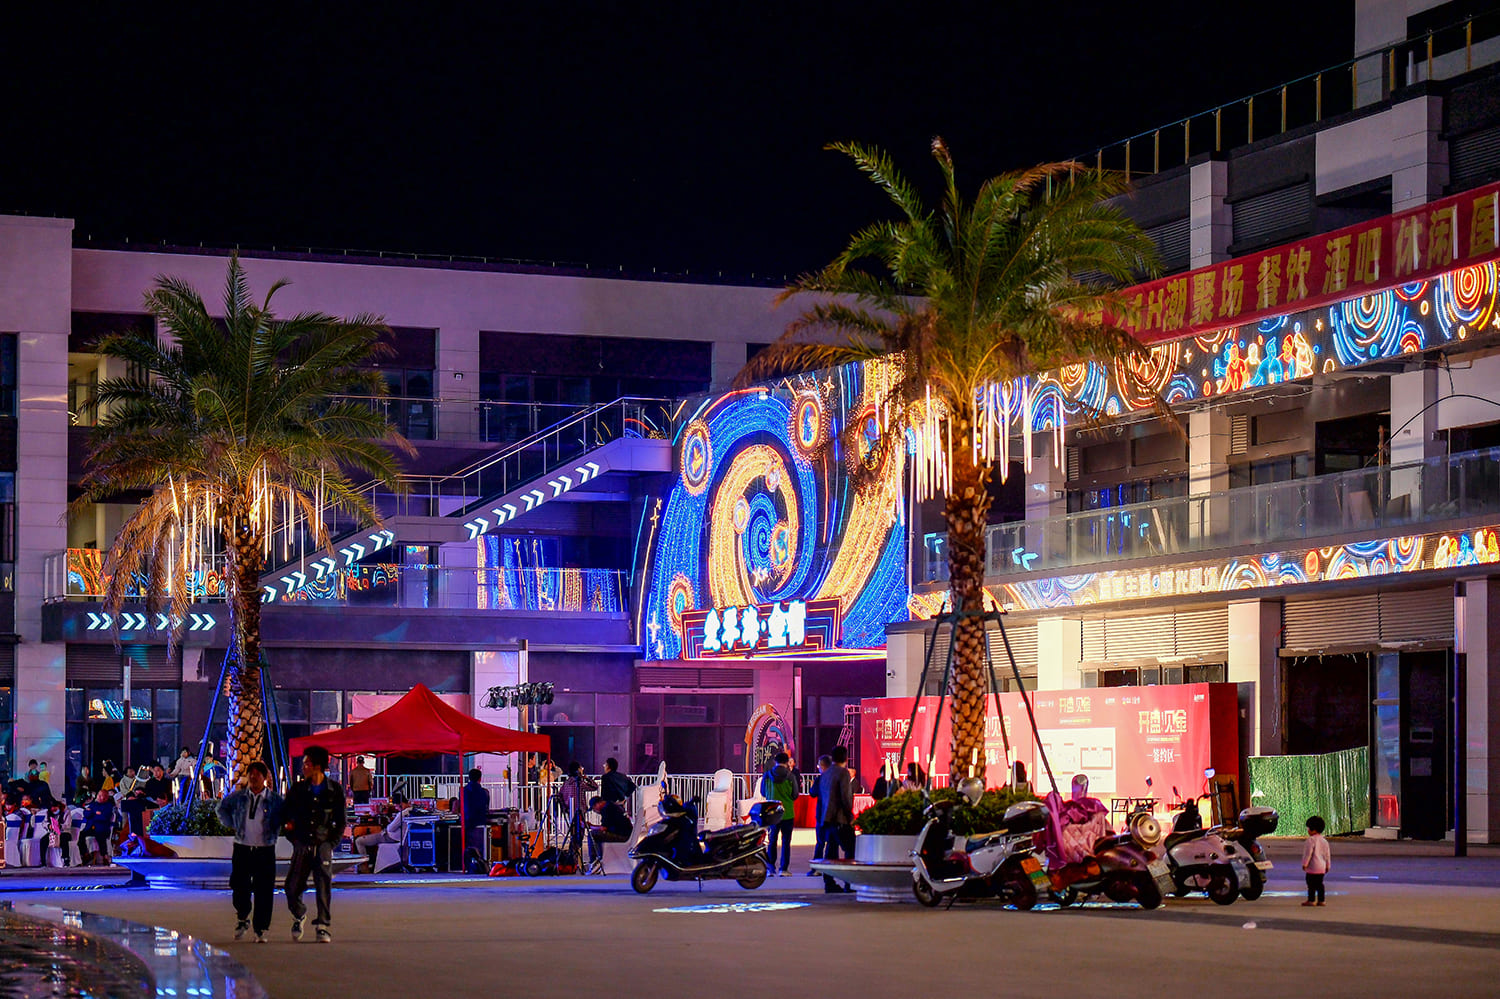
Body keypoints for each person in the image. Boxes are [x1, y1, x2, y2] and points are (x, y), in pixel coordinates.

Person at [282, 745, 346, 943]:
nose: (304, 767)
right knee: (292, 887)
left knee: (323, 886)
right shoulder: (298, 790)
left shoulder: (334, 790)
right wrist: (293, 838)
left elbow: (340, 821)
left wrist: (331, 843)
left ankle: (323, 926)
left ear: (317, 766)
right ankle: (299, 913)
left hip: (323, 844)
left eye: (307, 763)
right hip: (302, 844)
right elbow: (286, 815)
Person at [217, 760, 283, 943]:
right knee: (239, 886)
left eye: (257, 775)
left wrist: (277, 829)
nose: (253, 778)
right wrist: (232, 824)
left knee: (264, 890)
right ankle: (242, 916)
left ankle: (261, 928)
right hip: (243, 848)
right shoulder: (239, 797)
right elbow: (222, 808)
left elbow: (284, 816)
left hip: (265, 849)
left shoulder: (274, 800)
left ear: (264, 777)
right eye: (251, 774)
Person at [820, 746, 855, 893]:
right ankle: (849, 883)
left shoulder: (826, 773)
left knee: (831, 851)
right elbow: (845, 797)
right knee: (851, 850)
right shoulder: (843, 773)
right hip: (840, 818)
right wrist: (850, 815)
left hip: (827, 818)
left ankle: (829, 882)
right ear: (846, 758)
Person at [759, 752, 797, 877]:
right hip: (787, 812)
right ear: (786, 762)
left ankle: (770, 868)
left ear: (775, 761)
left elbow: (763, 792)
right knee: (786, 842)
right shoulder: (791, 776)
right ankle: (783, 869)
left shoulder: (767, 775)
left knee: (772, 841)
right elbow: (795, 795)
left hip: (772, 813)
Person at [354, 793, 411, 871]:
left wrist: (389, 824)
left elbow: (391, 829)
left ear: (400, 804)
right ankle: (371, 864)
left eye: (396, 806)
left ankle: (364, 867)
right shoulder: (412, 811)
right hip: (400, 838)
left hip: (390, 837)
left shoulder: (402, 814)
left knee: (359, 841)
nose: (396, 808)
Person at [806, 755, 831, 875]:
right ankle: (830, 868)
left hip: (822, 814)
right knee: (831, 843)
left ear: (823, 766)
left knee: (820, 842)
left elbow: (812, 793)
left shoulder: (819, 779)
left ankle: (817, 868)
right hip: (833, 815)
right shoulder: (836, 778)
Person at [81, 787, 119, 866]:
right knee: (81, 835)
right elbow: (86, 814)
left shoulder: (108, 806)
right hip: (91, 827)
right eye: (98, 795)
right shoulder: (93, 804)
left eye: (101, 796)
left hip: (102, 828)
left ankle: (104, 855)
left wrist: (93, 814)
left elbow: (104, 817)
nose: (99, 797)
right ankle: (85, 854)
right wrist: (96, 813)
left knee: (100, 836)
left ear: (105, 798)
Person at [460, 769, 489, 864]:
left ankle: (466, 862)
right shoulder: (484, 792)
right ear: (480, 778)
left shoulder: (463, 791)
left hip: (466, 822)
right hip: (480, 821)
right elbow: (486, 808)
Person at [1301, 814, 1330, 907]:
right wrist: (1328, 865)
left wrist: (1305, 864)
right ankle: (1321, 900)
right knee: (1320, 884)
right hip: (1322, 867)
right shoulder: (1324, 841)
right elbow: (1327, 855)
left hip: (1312, 867)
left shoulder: (1310, 840)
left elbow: (1308, 854)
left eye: (1308, 828)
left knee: (1311, 884)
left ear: (1313, 829)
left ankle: (1311, 900)